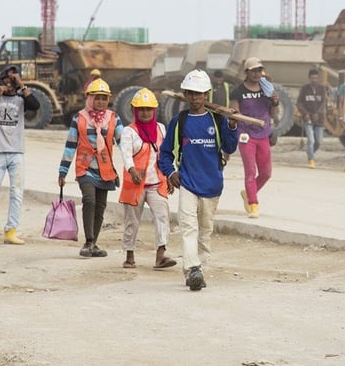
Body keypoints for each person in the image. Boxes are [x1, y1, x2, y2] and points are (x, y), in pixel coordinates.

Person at [159, 69, 239, 291]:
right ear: (184, 94)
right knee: (188, 227)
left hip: (212, 184)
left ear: (207, 94)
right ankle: (192, 268)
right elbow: (165, 154)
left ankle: (199, 270)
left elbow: (230, 147)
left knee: (205, 231)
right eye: (190, 93)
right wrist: (171, 173)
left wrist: (232, 126)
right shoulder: (179, 121)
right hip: (187, 183)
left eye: (199, 93)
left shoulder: (217, 119)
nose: (194, 98)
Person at [58, 78, 124, 257]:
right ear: (90, 98)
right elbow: (70, 145)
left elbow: (123, 142)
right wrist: (63, 171)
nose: (101, 102)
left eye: (104, 98)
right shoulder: (79, 118)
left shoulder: (113, 118)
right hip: (85, 168)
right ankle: (87, 241)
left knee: (101, 206)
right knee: (89, 200)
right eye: (97, 98)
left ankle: (94, 243)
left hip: (106, 170)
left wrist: (132, 163)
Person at [0, 65, 40, 245]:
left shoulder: (21, 98)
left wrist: (22, 85)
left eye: (13, 81)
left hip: (16, 152)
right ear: (1, 80)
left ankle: (11, 230)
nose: (10, 85)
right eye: (7, 80)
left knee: (17, 192)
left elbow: (36, 106)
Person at [118, 87, 176, 270]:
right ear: (135, 111)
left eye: (148, 109)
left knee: (162, 216)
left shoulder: (161, 128)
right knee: (132, 221)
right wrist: (132, 170)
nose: (144, 112)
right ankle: (129, 256)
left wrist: (169, 176)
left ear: (154, 110)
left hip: (157, 183)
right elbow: (126, 154)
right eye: (141, 109)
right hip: (134, 184)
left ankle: (161, 255)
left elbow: (166, 153)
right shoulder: (129, 132)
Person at [230, 57, 277, 218]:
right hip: (246, 135)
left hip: (263, 134)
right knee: (250, 171)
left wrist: (275, 102)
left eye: (259, 70)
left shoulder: (267, 89)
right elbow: (234, 113)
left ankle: (248, 193)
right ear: (247, 72)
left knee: (266, 173)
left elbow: (272, 114)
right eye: (254, 70)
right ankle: (253, 204)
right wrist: (237, 116)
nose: (257, 74)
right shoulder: (238, 91)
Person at [297, 68, 328, 168]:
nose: (314, 80)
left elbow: (324, 102)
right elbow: (299, 103)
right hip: (308, 118)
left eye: (316, 78)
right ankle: (311, 159)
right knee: (311, 140)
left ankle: (310, 151)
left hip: (319, 119)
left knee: (318, 141)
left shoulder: (322, 88)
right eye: (312, 78)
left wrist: (318, 113)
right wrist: (305, 114)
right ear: (309, 78)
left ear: (318, 78)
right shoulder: (304, 89)